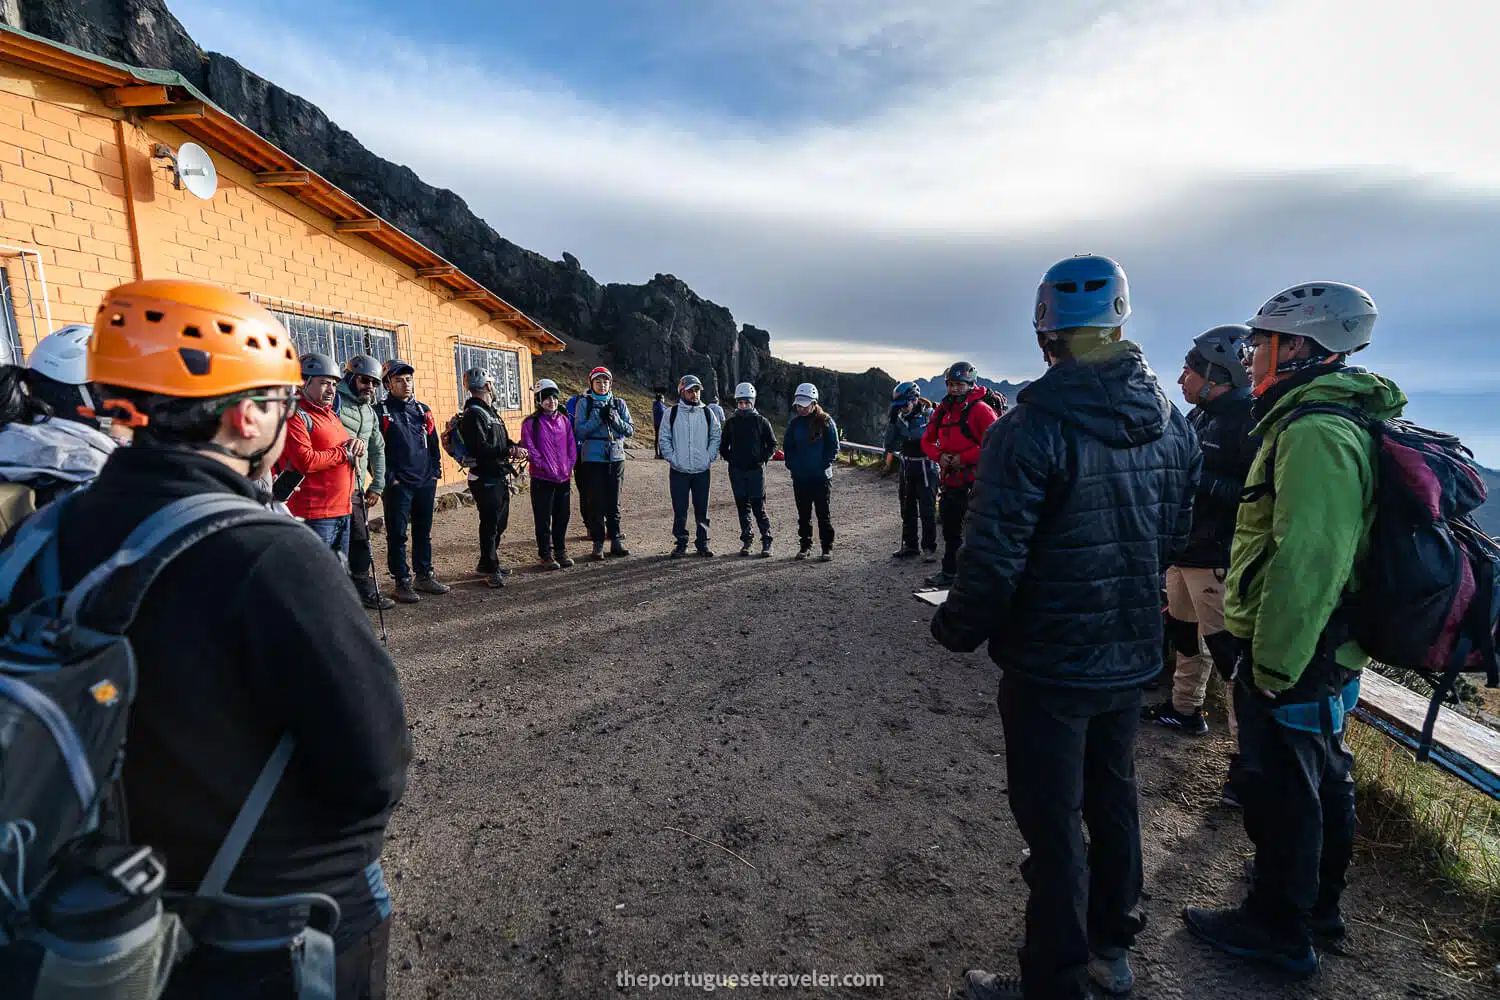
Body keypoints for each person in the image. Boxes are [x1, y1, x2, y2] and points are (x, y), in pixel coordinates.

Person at [4, 279, 409, 998]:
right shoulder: (271, 556)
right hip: (272, 930)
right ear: (250, 415)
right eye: (284, 402)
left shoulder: (43, 533)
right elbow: (374, 769)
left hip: (99, 916)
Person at [930, 254, 1198, 1000]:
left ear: (1046, 334)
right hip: (1130, 652)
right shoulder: (1169, 424)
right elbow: (1175, 536)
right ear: (1120, 323)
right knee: (1113, 799)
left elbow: (992, 558)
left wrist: (955, 627)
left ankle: (1052, 979)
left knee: (1052, 826)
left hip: (1050, 663)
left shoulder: (1030, 428)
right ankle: (1112, 952)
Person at [1183, 282, 1398, 977]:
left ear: (1298, 347)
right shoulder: (1318, 420)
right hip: (1321, 645)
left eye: (1262, 343)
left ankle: (1278, 924)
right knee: (1321, 778)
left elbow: (1308, 558)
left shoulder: (1314, 433)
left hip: (1298, 649)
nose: (1250, 357)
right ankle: (1316, 910)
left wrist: (1270, 666)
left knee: (1287, 788)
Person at [1143, 329, 1257, 751]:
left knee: (1229, 656)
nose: (1180, 380)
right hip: (1186, 550)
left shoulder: (1247, 422)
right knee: (1186, 635)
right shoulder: (1201, 415)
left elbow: (1253, 493)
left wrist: (1195, 479)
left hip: (1217, 556)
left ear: (1216, 374)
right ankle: (1185, 709)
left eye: (1188, 372)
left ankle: (1247, 758)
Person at [921, 361, 1003, 588]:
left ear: (970, 384)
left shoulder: (981, 410)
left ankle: (979, 578)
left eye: (959, 385)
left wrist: (961, 458)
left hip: (977, 481)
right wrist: (940, 456)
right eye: (951, 385)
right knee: (951, 529)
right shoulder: (943, 409)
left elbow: (994, 443)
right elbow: (927, 440)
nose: (955, 389)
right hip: (951, 480)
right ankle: (950, 573)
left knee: (979, 532)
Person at [375, 358, 450, 604]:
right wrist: (388, 479)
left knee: (423, 531)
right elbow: (374, 451)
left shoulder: (422, 409)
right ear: (387, 384)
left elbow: (433, 445)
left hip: (424, 481)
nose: (406, 384)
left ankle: (424, 576)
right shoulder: (380, 412)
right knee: (397, 534)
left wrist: (434, 472)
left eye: (408, 379)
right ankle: (401, 581)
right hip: (398, 485)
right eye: (398, 380)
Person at [281, 352, 357, 561]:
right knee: (313, 579)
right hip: (315, 515)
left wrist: (353, 445)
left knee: (337, 576)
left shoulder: (331, 414)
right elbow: (306, 461)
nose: (331, 390)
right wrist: (344, 452)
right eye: (324, 383)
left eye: (334, 384)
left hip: (341, 510)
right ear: (304, 383)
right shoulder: (295, 416)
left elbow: (339, 449)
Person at [458, 368, 527, 587]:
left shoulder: (491, 414)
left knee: (500, 522)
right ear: (488, 386)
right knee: (490, 523)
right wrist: (508, 452)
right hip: (484, 476)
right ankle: (491, 567)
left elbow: (502, 441)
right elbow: (480, 448)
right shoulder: (474, 414)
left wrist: (514, 448)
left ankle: (486, 562)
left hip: (497, 474)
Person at [340, 354, 393, 611]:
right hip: (331, 489)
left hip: (357, 488)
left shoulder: (369, 411)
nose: (369, 387)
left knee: (361, 541)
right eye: (364, 381)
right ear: (350, 377)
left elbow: (377, 449)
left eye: (374, 383)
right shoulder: (334, 403)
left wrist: (378, 485)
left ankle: (363, 590)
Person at [573, 365, 634, 560]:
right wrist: (598, 419)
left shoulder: (619, 403)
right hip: (592, 457)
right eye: (598, 381)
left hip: (616, 456)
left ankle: (615, 539)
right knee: (596, 501)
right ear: (591, 383)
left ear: (610, 383)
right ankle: (598, 542)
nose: (602, 385)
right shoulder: (585, 403)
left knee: (614, 500)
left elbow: (630, 429)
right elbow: (580, 431)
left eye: (605, 381)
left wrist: (614, 419)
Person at [659, 373, 721, 558]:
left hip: (702, 470)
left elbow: (715, 436)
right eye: (690, 390)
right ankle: (681, 543)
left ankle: (703, 543)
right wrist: (673, 458)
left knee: (702, 509)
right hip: (679, 470)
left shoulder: (708, 413)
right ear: (682, 392)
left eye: (697, 390)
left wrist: (708, 457)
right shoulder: (672, 413)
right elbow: (664, 438)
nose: (695, 394)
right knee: (680, 509)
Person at [520, 378, 577, 569]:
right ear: (538, 400)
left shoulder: (564, 421)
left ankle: (560, 550)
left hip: (562, 478)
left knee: (562, 516)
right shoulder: (531, 423)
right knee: (543, 518)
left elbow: (571, 445)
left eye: (554, 397)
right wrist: (544, 465)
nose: (551, 401)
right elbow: (529, 446)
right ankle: (545, 554)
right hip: (541, 478)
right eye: (546, 398)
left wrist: (568, 465)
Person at [719, 381, 777, 557]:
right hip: (736, 471)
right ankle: (747, 541)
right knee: (742, 506)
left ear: (753, 402)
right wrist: (732, 459)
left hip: (755, 471)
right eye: (740, 403)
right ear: (737, 403)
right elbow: (723, 446)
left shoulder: (761, 421)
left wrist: (761, 459)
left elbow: (772, 444)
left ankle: (766, 541)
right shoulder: (731, 423)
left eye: (747, 403)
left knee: (758, 506)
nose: (743, 406)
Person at [783, 381, 839, 562]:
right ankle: (805, 546)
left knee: (823, 514)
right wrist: (792, 464)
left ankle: (826, 547)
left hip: (821, 477)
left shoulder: (826, 422)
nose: (801, 409)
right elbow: (788, 447)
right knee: (803, 514)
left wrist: (822, 465)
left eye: (804, 405)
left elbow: (833, 447)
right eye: (799, 405)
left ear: (814, 403)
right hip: (800, 477)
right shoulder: (795, 424)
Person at [884, 380, 939, 562]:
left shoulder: (930, 415)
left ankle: (929, 548)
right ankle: (910, 546)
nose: (901, 409)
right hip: (907, 466)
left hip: (926, 467)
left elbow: (937, 440)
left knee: (927, 509)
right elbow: (890, 445)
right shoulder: (899, 418)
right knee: (907, 508)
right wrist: (892, 422)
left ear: (914, 400)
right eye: (897, 406)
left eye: (904, 405)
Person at [652, 390, 667, 459]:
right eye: (663, 398)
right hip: (661, 424)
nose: (664, 399)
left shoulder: (655, 404)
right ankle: (661, 454)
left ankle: (656, 454)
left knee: (657, 438)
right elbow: (663, 414)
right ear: (661, 399)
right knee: (660, 439)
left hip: (656, 423)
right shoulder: (660, 405)